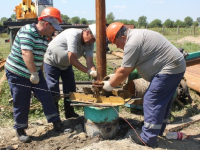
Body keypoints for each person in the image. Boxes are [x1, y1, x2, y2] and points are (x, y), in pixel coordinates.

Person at [103, 22, 186, 147]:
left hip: (169, 70)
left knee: (151, 99)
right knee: (163, 101)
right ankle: (157, 130)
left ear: (123, 38)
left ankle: (148, 139)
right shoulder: (137, 35)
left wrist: (109, 85)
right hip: (175, 68)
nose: (117, 47)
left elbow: (125, 70)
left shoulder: (132, 43)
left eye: (116, 43)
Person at [5, 7, 63, 143]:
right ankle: (20, 129)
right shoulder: (28, 31)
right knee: (21, 101)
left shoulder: (44, 37)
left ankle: (56, 122)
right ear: (46, 24)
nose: (54, 30)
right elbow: (26, 53)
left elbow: (39, 56)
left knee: (46, 96)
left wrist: (38, 73)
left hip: (34, 73)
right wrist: (33, 74)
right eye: (53, 27)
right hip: (17, 73)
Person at [43, 24, 97, 119]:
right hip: (51, 62)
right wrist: (88, 72)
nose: (92, 42)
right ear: (87, 32)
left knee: (70, 88)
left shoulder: (90, 43)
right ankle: (55, 117)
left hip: (66, 65)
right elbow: (72, 59)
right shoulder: (73, 35)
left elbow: (89, 61)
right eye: (92, 39)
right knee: (53, 89)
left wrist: (94, 73)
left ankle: (69, 113)